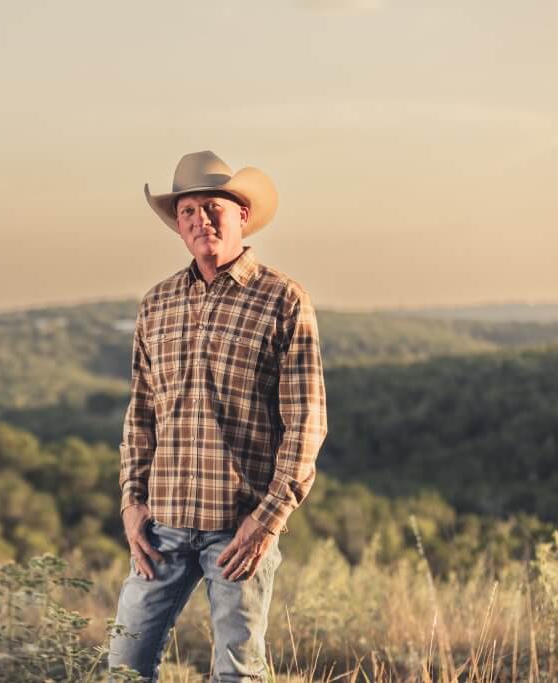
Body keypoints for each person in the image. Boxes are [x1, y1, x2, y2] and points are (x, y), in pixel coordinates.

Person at [108, 151, 328, 682]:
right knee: (122, 668)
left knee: (238, 673)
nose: (200, 220)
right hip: (161, 525)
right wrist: (131, 502)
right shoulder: (157, 303)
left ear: (242, 216)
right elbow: (141, 413)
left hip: (238, 528)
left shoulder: (283, 300)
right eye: (188, 212)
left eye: (213, 208)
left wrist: (267, 521)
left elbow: (307, 423)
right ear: (178, 224)